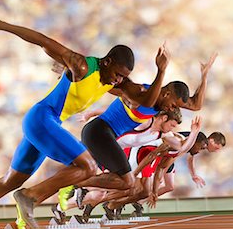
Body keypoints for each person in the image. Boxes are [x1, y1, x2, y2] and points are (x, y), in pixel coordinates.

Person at [0, 14, 169, 229]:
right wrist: (2, 25)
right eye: (118, 74)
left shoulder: (114, 83)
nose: (119, 80)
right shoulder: (82, 66)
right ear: (107, 61)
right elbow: (43, 41)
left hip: (47, 124)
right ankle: (30, 196)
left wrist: (161, 71)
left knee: (11, 180)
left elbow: (147, 102)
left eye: (123, 77)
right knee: (88, 166)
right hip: (42, 118)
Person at [69, 53, 217, 202]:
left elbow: (195, 107)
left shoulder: (161, 126)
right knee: (121, 182)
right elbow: (109, 86)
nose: (173, 109)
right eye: (173, 105)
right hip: (99, 135)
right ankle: (76, 187)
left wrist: (204, 76)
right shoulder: (141, 98)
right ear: (166, 94)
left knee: (124, 183)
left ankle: (77, 187)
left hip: (108, 141)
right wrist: (76, 74)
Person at [51, 108, 185, 223]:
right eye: (172, 125)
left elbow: (182, 147)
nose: (172, 129)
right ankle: (79, 189)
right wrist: (91, 113)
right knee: (117, 186)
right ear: (164, 118)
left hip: (113, 151)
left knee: (119, 186)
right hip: (101, 143)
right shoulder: (145, 122)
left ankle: (75, 197)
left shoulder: (164, 135)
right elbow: (113, 115)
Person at [130, 131, 226, 217]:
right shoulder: (197, 140)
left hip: (168, 155)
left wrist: (193, 175)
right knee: (153, 182)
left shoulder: (200, 144)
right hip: (161, 154)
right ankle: (130, 199)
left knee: (169, 186)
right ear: (212, 141)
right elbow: (175, 155)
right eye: (217, 148)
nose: (216, 151)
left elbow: (190, 158)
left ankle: (139, 202)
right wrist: (161, 173)